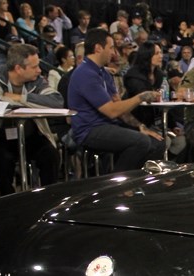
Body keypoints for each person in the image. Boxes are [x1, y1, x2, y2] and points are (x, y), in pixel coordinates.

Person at [67, 28, 164, 172]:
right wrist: (140, 97)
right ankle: (120, 185)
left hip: (109, 125)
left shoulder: (103, 73)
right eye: (111, 47)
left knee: (158, 142)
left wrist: (140, 126)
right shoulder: (85, 74)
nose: (114, 52)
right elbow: (112, 111)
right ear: (98, 48)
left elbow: (119, 107)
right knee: (141, 142)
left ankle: (138, 181)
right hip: (90, 130)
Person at [0, 43, 62, 196]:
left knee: (51, 154)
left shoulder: (37, 80)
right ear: (18, 68)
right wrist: (32, 103)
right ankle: (7, 200)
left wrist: (20, 97)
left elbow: (56, 101)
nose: (39, 70)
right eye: (35, 66)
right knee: (1, 161)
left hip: (31, 135)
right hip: (0, 136)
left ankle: (49, 197)